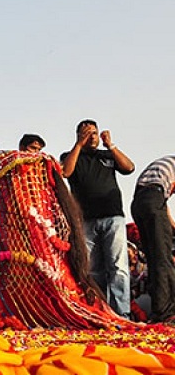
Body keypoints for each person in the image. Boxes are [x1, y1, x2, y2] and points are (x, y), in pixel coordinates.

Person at [61, 119, 135, 318]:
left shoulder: (107, 155)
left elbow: (129, 168)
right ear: (78, 135)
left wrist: (110, 145)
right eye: (86, 133)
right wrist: (79, 144)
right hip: (85, 220)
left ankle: (122, 314)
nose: (91, 136)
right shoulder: (70, 156)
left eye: (94, 132)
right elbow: (66, 171)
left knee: (118, 267)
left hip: (113, 217)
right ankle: (101, 312)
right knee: (93, 271)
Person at [130, 155, 175, 323]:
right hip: (152, 201)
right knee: (163, 260)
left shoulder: (162, 166)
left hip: (139, 205)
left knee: (154, 259)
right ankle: (166, 313)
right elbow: (159, 203)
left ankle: (160, 311)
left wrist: (172, 226)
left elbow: (161, 204)